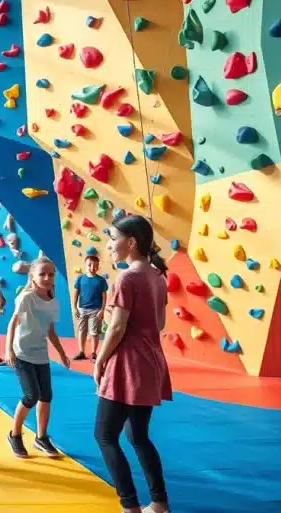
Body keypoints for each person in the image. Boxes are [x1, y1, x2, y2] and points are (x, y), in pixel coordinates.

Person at [96, 214, 172, 513]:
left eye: (113, 239)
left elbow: (116, 328)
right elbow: (160, 322)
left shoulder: (126, 278)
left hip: (128, 363)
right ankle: (159, 502)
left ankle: (130, 506)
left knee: (104, 436)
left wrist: (100, 360)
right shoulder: (157, 276)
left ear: (131, 242)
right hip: (152, 361)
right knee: (138, 436)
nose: (109, 244)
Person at [5, 258, 70, 458]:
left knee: (46, 396)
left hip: (41, 354)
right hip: (22, 352)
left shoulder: (53, 303)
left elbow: (50, 330)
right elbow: (12, 324)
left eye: (51, 274)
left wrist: (61, 352)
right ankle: (14, 434)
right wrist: (9, 350)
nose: (47, 277)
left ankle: (41, 438)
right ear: (32, 275)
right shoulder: (26, 298)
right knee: (31, 395)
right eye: (42, 273)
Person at [72, 255, 109, 360]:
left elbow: (104, 295)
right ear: (85, 265)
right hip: (82, 309)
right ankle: (81, 352)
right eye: (89, 265)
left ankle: (93, 353)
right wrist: (75, 308)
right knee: (82, 331)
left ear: (98, 267)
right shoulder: (80, 279)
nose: (92, 268)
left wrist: (102, 310)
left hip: (96, 310)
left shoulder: (101, 280)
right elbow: (76, 293)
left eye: (95, 266)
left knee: (94, 332)